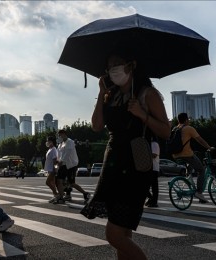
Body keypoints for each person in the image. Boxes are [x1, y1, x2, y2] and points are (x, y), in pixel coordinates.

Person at [87, 50, 171, 260]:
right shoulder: (111, 95)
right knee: (123, 232)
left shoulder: (147, 94)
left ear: (131, 65)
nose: (112, 68)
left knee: (113, 234)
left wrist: (142, 115)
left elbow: (166, 131)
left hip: (134, 166)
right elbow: (97, 126)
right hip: (112, 163)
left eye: (117, 63)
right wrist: (100, 93)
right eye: (109, 65)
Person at [172, 112, 213, 202]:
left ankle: (189, 179)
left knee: (192, 163)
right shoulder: (188, 128)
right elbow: (200, 140)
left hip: (175, 155)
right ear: (186, 120)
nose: (189, 121)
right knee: (201, 170)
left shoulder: (175, 128)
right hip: (186, 155)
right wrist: (209, 147)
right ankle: (199, 192)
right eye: (188, 120)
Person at [53, 129, 90, 204]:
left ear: (64, 134)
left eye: (60, 135)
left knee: (71, 183)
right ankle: (61, 197)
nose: (59, 137)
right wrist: (56, 160)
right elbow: (58, 154)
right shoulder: (60, 144)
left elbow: (67, 154)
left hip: (70, 165)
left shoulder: (70, 142)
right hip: (63, 165)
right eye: (58, 135)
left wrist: (61, 161)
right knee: (58, 180)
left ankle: (85, 193)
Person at [145, 138, 160, 207]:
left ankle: (154, 201)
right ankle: (151, 199)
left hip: (153, 168)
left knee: (154, 187)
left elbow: (154, 155)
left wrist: (143, 154)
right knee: (145, 185)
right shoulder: (149, 143)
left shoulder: (154, 144)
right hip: (148, 167)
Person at [45, 136, 59, 203]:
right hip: (49, 169)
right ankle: (55, 196)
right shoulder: (50, 149)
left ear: (52, 142)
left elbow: (55, 160)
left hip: (52, 169)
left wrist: (55, 169)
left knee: (47, 182)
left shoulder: (53, 149)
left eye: (49, 141)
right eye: (47, 141)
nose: (47, 142)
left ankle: (57, 194)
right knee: (52, 183)